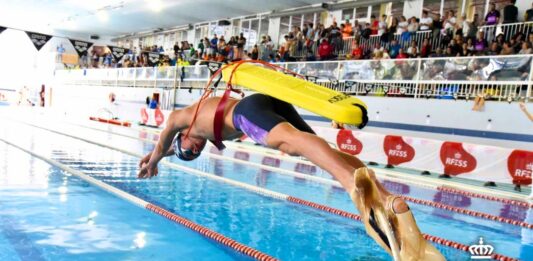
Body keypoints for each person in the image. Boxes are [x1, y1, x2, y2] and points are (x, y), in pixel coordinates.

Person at [137, 90, 444, 260]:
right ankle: (384, 195)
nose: (196, 149)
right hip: (264, 101)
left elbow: (164, 139)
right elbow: (169, 147)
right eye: (195, 154)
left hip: (247, 110)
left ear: (182, 137)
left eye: (189, 150)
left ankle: (352, 185)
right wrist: (160, 156)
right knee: (315, 148)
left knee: (287, 142)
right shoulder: (200, 128)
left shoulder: (181, 119)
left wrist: (153, 161)